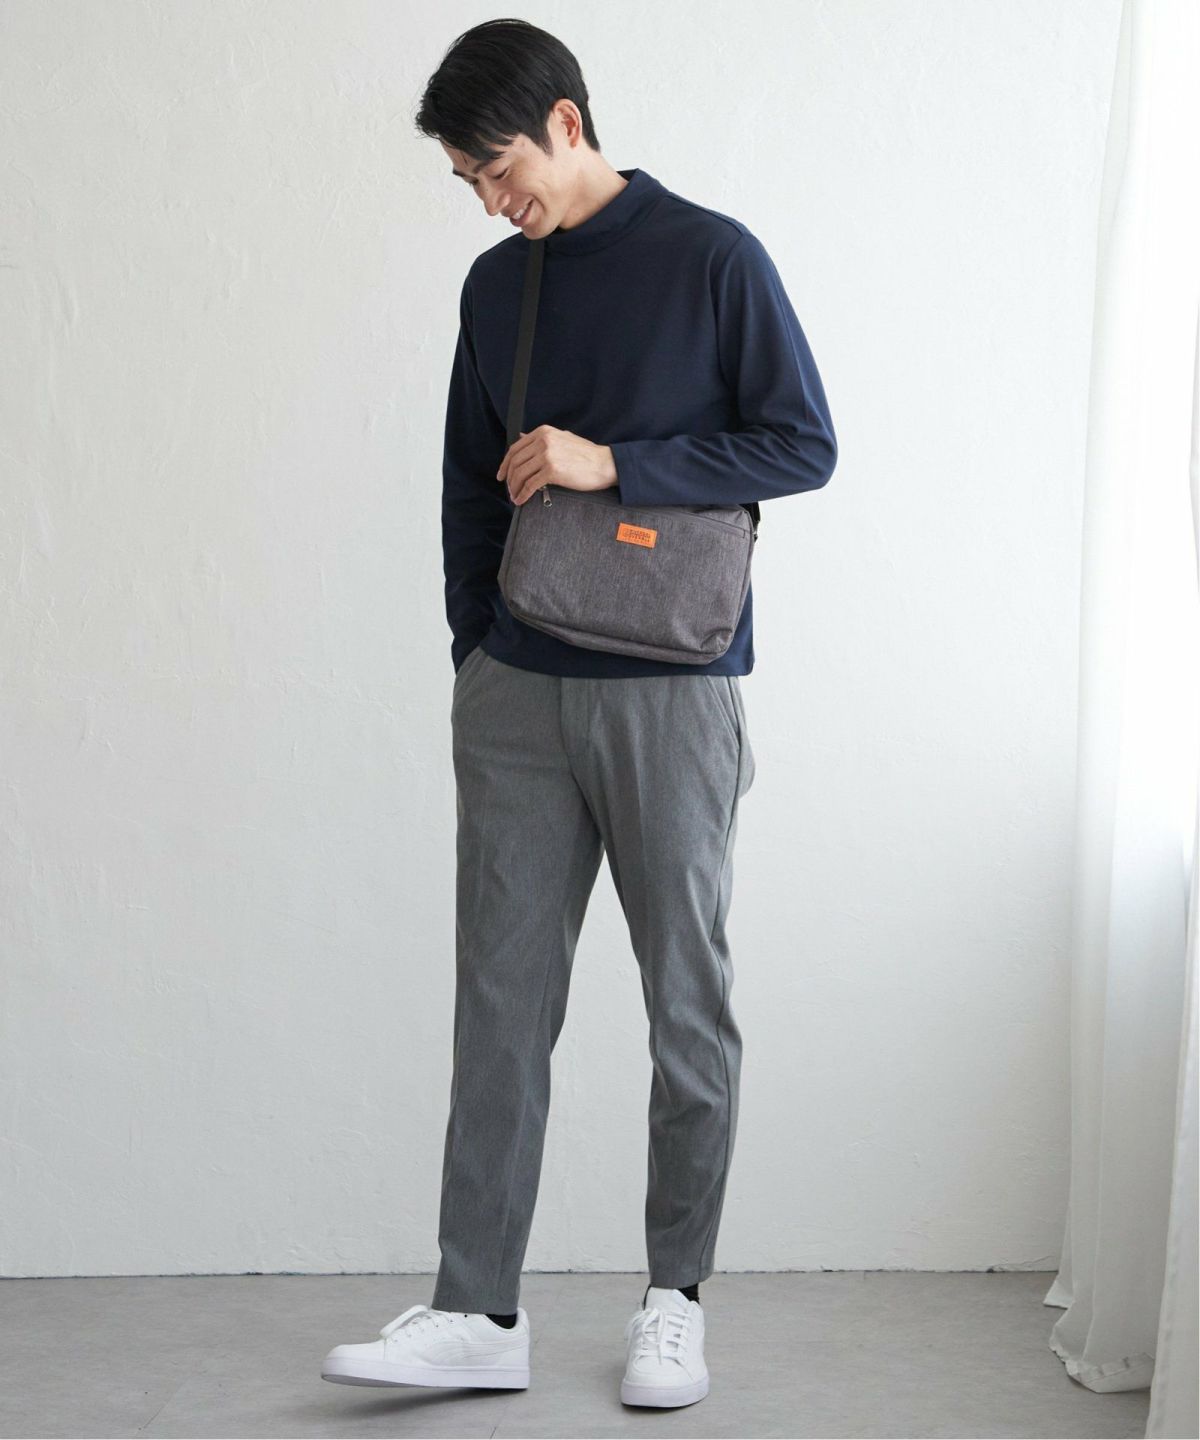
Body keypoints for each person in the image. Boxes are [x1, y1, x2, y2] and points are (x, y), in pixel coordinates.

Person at [322, 17, 837, 1410]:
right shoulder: (500, 287)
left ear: (565, 121)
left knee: (687, 1003)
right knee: (498, 1005)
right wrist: (474, 651)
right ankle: (476, 1309)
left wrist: (617, 463)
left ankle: (674, 1300)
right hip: (519, 691)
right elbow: (464, 480)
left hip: (673, 689)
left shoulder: (715, 258)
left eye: (498, 169)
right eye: (468, 184)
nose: (491, 202)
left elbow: (802, 443)